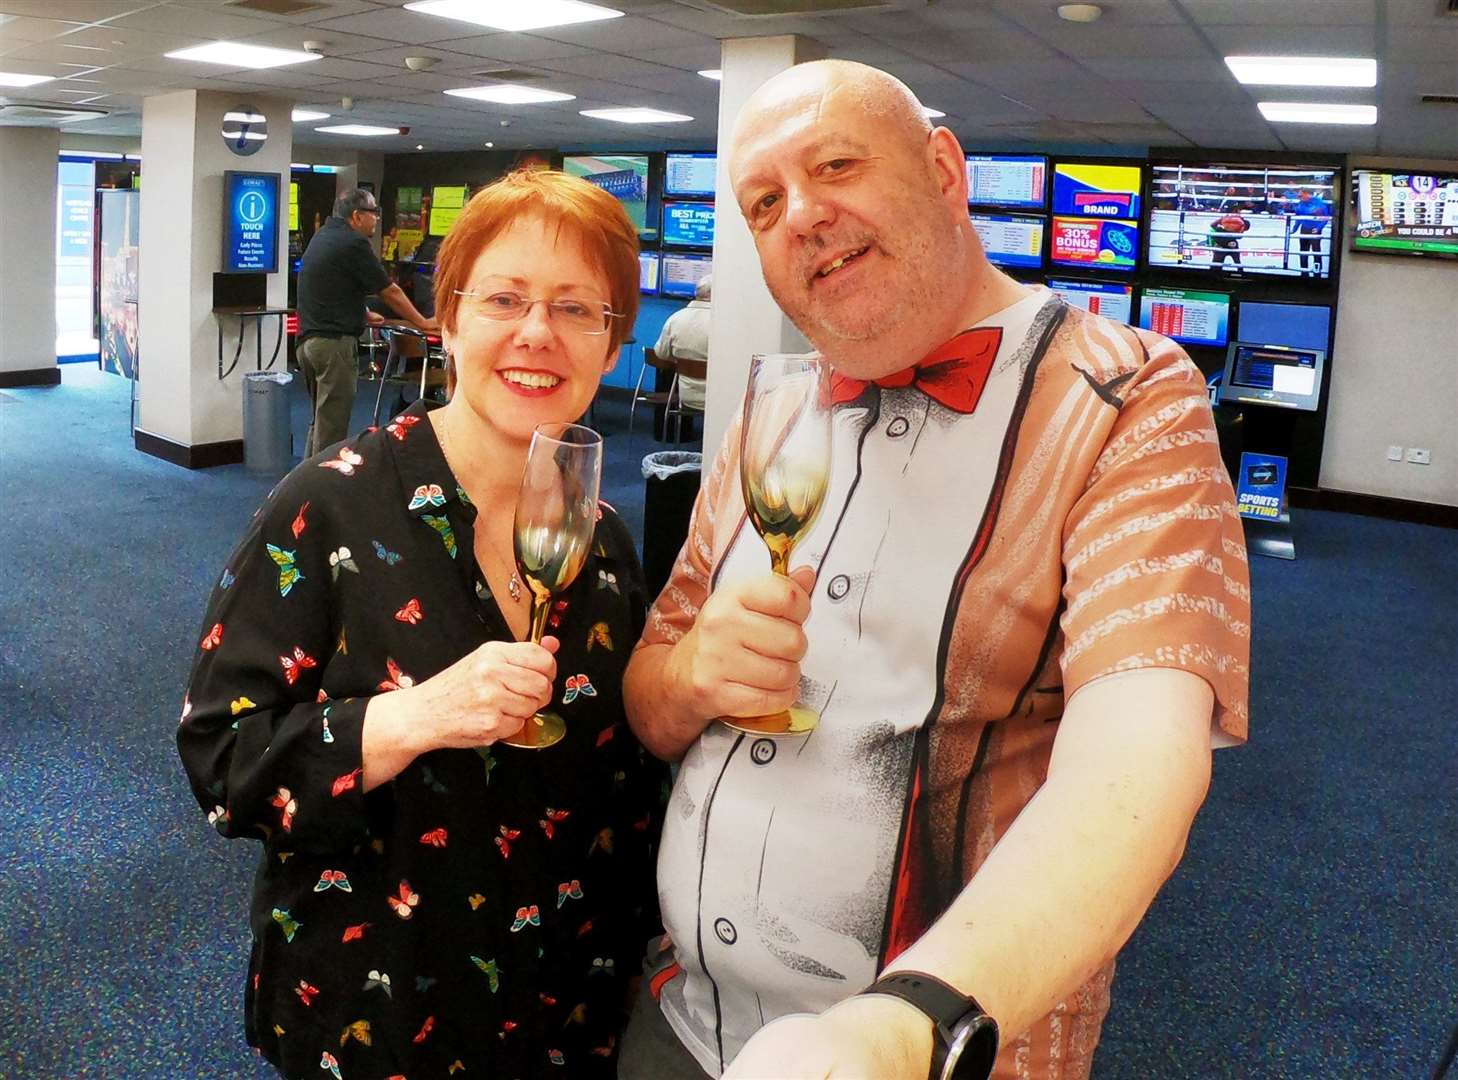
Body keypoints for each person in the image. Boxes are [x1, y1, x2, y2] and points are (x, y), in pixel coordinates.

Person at [617, 60, 1250, 1080]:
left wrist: (903, 1024)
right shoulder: (769, 414)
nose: (804, 216)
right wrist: (692, 676)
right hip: (681, 1023)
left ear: (945, 168)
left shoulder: (1125, 401)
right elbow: (651, 696)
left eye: (837, 165)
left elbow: (1137, 768)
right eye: (765, 203)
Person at [179, 169, 667, 1079]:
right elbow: (223, 761)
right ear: (447, 320)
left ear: (612, 344)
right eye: (505, 299)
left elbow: (624, 786)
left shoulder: (601, 540)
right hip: (380, 1010)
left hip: (566, 1008)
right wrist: (406, 720)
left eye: (575, 309)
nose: (536, 334)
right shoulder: (327, 505)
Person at [296, 188, 438, 457]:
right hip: (332, 345)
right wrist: (422, 321)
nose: (376, 219)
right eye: (374, 213)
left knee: (321, 421)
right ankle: (323, 492)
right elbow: (389, 290)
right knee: (332, 428)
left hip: (308, 343)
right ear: (358, 216)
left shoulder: (324, 236)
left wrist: (361, 312)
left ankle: (308, 485)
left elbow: (330, 284)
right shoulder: (353, 243)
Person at [652, 273, 711, 428]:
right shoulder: (723, 322)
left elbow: (661, 354)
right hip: (717, 396)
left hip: (685, 396)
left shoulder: (675, 318)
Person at [1293, 188, 1332, 277]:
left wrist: (1318, 228)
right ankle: (1303, 273)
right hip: (1304, 228)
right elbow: (1299, 217)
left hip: (1315, 230)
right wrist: (1295, 228)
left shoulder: (1319, 203)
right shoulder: (1301, 203)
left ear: (1307, 194)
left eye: (1300, 195)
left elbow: (1325, 218)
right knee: (1303, 251)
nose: (1299, 197)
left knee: (1316, 251)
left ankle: (1317, 273)